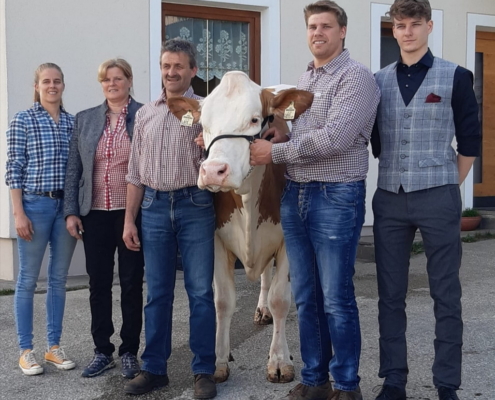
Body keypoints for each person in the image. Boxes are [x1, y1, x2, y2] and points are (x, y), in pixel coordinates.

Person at [250, 2, 380, 399]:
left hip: (335, 196)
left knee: (336, 297)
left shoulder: (356, 78)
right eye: (311, 26)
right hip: (298, 194)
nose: (317, 32)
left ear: (342, 32)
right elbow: (304, 134)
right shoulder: (307, 77)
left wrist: (275, 154)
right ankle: (315, 379)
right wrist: (279, 136)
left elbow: (335, 139)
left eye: (325, 26)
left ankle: (346, 385)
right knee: (306, 295)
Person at [370, 1, 481, 400]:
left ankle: (446, 384)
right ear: (393, 30)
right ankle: (393, 379)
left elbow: (470, 139)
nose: (408, 32)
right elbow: (377, 142)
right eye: (400, 25)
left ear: (429, 26)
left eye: (415, 24)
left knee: (446, 292)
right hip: (389, 198)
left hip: (439, 194)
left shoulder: (456, 75)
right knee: (390, 292)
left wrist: (450, 182)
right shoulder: (376, 81)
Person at [122, 39, 217, 399]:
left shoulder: (207, 109)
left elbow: (222, 157)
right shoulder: (145, 114)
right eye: (166, 66)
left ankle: (203, 371)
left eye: (178, 66)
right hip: (154, 208)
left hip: (195, 205)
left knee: (200, 293)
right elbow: (134, 173)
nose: (171, 72)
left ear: (193, 70)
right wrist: (129, 220)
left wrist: (208, 141)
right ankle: (155, 369)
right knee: (157, 293)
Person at [64, 58, 144, 379]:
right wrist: (71, 211)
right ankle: (102, 351)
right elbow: (74, 169)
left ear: (129, 80)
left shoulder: (143, 116)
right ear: (102, 84)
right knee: (98, 284)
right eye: (106, 79)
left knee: (130, 284)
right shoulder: (85, 119)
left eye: (118, 78)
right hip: (94, 214)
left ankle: (129, 352)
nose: (112, 84)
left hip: (131, 215)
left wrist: (134, 217)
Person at [5, 63, 77, 376]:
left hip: (65, 209)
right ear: (37, 86)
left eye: (57, 81)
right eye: (46, 81)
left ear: (63, 85)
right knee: (28, 280)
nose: (52, 86)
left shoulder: (73, 123)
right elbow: (13, 169)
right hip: (34, 206)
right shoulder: (23, 120)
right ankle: (25, 350)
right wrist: (18, 213)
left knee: (58, 280)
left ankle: (53, 347)